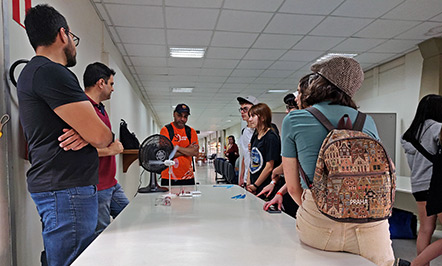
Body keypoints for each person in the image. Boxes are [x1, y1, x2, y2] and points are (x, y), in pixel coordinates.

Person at [17, 5, 113, 266]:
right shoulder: (53, 73)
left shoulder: (33, 73)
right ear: (63, 34)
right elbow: (104, 137)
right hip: (67, 190)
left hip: (60, 188)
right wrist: (90, 132)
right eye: (73, 38)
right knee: (73, 260)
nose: (74, 45)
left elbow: (95, 134)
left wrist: (87, 132)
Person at [282, 56, 400, 266]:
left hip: (319, 224)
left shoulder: (294, 120)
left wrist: (321, 208)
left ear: (318, 83)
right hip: (371, 224)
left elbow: (292, 187)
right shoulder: (367, 121)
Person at [83, 62, 129, 235]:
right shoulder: (84, 109)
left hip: (111, 183)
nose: (113, 89)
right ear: (101, 83)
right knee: (100, 233)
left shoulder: (100, 108)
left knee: (129, 216)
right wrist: (111, 150)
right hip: (97, 186)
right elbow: (81, 151)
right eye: (111, 84)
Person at [260, 74, 310, 216]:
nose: (287, 112)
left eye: (291, 107)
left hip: (306, 197)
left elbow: (294, 169)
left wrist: (277, 172)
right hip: (296, 192)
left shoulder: (300, 129)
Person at [401, 94, 442, 266]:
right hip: (436, 185)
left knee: (425, 230)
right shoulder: (436, 128)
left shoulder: (409, 134)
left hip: (418, 185)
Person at [246, 103, 281, 197]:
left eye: (253, 116)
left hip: (265, 187)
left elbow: (269, 166)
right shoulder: (255, 135)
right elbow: (252, 161)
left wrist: (255, 185)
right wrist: (249, 183)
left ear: (262, 117)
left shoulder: (271, 137)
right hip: (253, 184)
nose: (249, 119)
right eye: (250, 116)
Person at [160, 104, 199, 186]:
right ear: (174, 114)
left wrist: (176, 148)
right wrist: (188, 149)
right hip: (168, 177)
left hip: (188, 176)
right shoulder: (166, 130)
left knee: (189, 199)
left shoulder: (191, 132)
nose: (182, 119)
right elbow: (166, 155)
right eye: (179, 115)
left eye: (185, 117)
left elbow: (195, 152)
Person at [237, 95, 259, 186]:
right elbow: (245, 155)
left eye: (245, 109)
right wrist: (241, 176)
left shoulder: (261, 132)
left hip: (257, 179)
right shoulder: (244, 131)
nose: (242, 112)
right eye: (241, 109)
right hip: (247, 178)